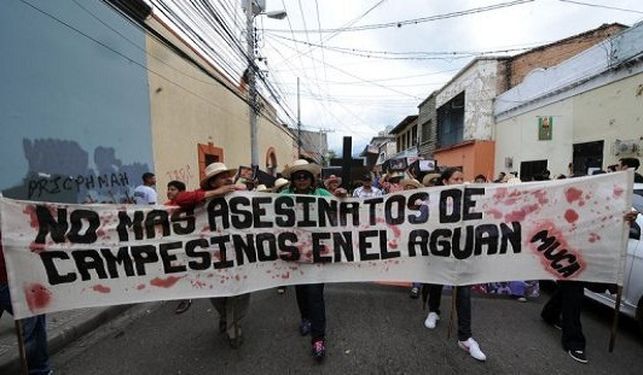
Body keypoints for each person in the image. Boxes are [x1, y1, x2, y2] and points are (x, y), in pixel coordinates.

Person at [541, 209, 639, 364]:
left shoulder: (614, 192)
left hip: (593, 250)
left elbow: (617, 216)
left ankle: (549, 314)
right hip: (570, 246)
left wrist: (628, 220)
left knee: (570, 289)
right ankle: (574, 340)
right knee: (573, 289)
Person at [173, 162, 249, 348]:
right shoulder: (200, 196)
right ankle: (225, 317)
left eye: (227, 175)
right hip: (212, 256)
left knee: (239, 294)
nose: (228, 179)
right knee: (217, 294)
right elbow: (180, 199)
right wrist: (215, 194)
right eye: (222, 177)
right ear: (213, 182)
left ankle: (233, 329)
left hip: (238, 253)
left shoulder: (237, 195)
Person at [423, 167, 486, 361]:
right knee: (436, 283)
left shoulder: (470, 201)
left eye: (461, 178)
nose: (460, 181)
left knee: (464, 292)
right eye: (455, 178)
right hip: (440, 251)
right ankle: (434, 311)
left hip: (462, 253)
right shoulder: (434, 201)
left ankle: (465, 337)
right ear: (445, 182)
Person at [281, 159, 333, 362]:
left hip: (317, 253)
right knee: (301, 291)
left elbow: (340, 208)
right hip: (293, 253)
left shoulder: (321, 195)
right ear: (293, 180)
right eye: (298, 176)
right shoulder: (283, 197)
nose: (302, 179)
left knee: (315, 294)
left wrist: (341, 198)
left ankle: (318, 339)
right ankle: (305, 318)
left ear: (311, 179)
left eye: (305, 176)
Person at [0, 230, 53, 374]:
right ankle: (39, 370)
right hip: (9, 275)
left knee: (34, 319)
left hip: (15, 271)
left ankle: (40, 369)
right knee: (33, 321)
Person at [164, 180, 192, 314]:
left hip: (188, 244)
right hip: (172, 244)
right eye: (168, 189)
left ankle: (187, 297)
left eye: (173, 189)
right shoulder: (165, 207)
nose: (169, 192)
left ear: (181, 192)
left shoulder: (190, 205)